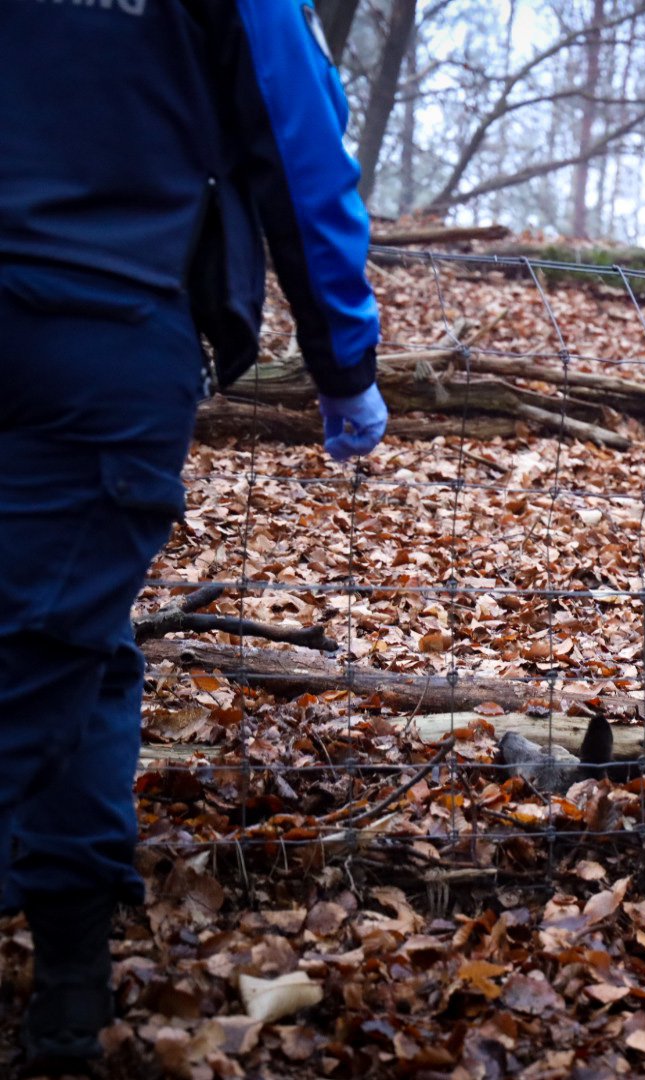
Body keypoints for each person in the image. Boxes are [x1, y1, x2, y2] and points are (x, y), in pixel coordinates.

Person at [0, 1, 387, 1070]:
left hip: (88, 325)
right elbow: (296, 133)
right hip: (106, 328)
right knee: (36, 656)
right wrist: (343, 361)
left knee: (75, 646)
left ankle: (69, 993)